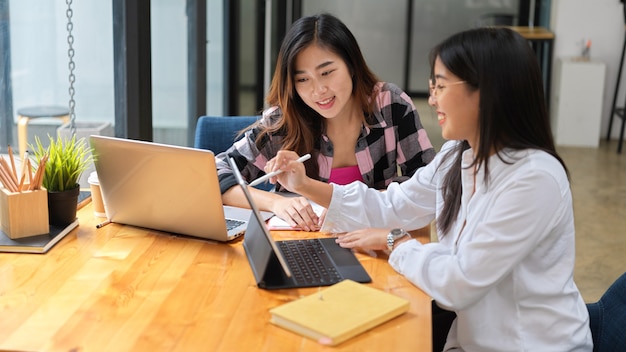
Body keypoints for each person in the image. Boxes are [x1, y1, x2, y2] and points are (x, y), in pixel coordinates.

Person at [264, 27, 593, 351]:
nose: (432, 98)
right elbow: (394, 205)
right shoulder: (458, 153)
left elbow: (459, 282)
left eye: (441, 85)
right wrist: (304, 185)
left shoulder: (534, 179)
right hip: (470, 336)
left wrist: (397, 242)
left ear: (488, 91)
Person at [216, 13, 435, 231]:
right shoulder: (284, 121)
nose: (318, 90)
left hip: (374, 244)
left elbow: (428, 186)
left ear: (351, 65)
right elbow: (215, 174)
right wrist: (277, 202)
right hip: (301, 246)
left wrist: (361, 207)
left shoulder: (389, 104)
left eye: (327, 72)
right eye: (303, 79)